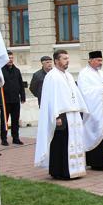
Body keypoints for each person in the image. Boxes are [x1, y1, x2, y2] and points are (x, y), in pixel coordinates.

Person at [35, 49, 88, 180]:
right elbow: (51, 98)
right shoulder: (52, 76)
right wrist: (56, 116)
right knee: (60, 144)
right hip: (61, 116)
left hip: (73, 115)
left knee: (72, 142)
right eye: (64, 58)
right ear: (57, 61)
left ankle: (75, 169)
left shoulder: (68, 75)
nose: (67, 61)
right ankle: (60, 171)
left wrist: (80, 109)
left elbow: (74, 94)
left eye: (68, 58)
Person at [78, 51, 103, 170]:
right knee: (96, 132)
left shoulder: (101, 73)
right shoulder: (84, 74)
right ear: (90, 60)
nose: (100, 63)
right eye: (98, 60)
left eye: (101, 60)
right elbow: (84, 92)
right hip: (94, 110)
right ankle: (97, 162)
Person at [0, 51, 26, 146]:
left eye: (12, 58)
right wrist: (0, 100)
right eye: (8, 58)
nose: (10, 60)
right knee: (4, 120)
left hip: (15, 100)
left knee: (15, 120)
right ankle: (4, 139)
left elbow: (21, 84)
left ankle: (15, 138)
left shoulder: (17, 70)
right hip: (5, 100)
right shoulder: (0, 71)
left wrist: (23, 96)